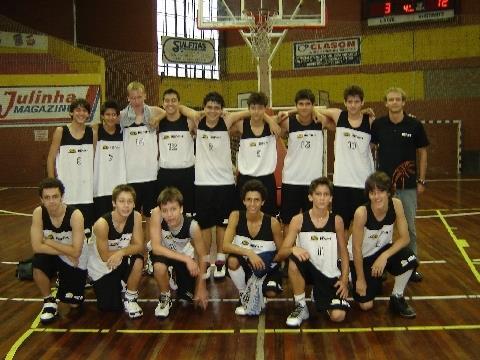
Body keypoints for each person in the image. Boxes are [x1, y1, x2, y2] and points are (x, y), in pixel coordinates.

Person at [177, 92, 239, 279]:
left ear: (221, 110)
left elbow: (243, 114)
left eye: (217, 108)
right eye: (209, 107)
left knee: (222, 224)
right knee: (203, 225)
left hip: (225, 182)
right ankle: (204, 261)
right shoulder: (197, 122)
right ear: (204, 108)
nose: (213, 111)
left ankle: (220, 260)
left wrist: (228, 113)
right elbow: (179, 107)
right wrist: (196, 113)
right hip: (203, 183)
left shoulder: (226, 123)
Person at [371, 87, 429, 282]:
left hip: (408, 187)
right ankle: (382, 265)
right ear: (386, 103)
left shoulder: (415, 125)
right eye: (391, 99)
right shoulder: (378, 125)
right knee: (381, 228)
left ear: (404, 102)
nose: (394, 102)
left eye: (398, 99)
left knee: (409, 228)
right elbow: (370, 149)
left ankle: (411, 266)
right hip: (383, 189)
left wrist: (421, 179)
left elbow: (423, 153)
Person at [277, 177, 350, 327]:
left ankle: (317, 294)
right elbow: (281, 254)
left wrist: (344, 279)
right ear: (310, 196)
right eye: (318, 194)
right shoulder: (298, 220)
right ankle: (301, 306)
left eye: (326, 194)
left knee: (338, 316)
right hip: (308, 269)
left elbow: (344, 252)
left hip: (328, 274)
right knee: (293, 262)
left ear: (331, 198)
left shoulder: (337, 221)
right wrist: (292, 248)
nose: (322, 198)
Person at [350, 171, 418, 318]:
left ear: (388, 192)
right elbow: (356, 249)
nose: (377, 196)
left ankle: (397, 297)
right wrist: (360, 279)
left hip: (381, 252)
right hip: (361, 257)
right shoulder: (362, 213)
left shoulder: (396, 205)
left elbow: (405, 238)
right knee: (366, 305)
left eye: (381, 191)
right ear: (368, 195)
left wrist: (384, 256)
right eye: (372, 192)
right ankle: (351, 276)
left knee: (410, 258)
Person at [119, 81, 165, 273]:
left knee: (151, 218)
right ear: (128, 98)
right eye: (133, 97)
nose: (136, 101)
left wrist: (159, 117)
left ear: (145, 96)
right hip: (131, 177)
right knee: (133, 219)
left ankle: (150, 256)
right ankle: (135, 255)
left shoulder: (153, 112)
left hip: (151, 175)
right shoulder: (122, 116)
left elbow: (167, 111)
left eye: (139, 97)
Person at [316, 85, 375, 232]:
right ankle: (341, 255)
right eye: (350, 101)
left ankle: (357, 254)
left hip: (363, 182)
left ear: (362, 102)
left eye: (356, 101)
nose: (353, 105)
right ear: (345, 102)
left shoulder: (370, 121)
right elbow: (315, 110)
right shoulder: (339, 116)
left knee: (361, 226)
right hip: (342, 182)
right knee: (340, 225)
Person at [30, 178, 88, 324]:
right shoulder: (39, 213)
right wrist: (65, 252)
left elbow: (76, 252)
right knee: (38, 264)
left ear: (62, 196)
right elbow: (37, 247)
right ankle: (49, 301)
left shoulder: (75, 215)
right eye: (47, 197)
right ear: (41, 199)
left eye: (55, 196)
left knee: (74, 304)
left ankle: (69, 277)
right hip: (61, 253)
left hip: (74, 256)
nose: (51, 201)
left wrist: (48, 241)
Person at [276, 89, 333, 236]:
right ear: (296, 105)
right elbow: (271, 122)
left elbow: (339, 119)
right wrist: (288, 112)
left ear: (313, 105)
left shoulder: (320, 122)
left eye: (308, 104)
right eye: (300, 104)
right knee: (288, 221)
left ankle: (311, 251)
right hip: (291, 180)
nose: (304, 107)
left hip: (312, 182)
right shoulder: (289, 123)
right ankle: (288, 253)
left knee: (312, 219)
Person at [223, 179, 283, 316]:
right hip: (246, 265)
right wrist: (249, 253)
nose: (252, 204)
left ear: (263, 202)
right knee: (232, 261)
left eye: (256, 200)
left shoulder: (273, 223)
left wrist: (269, 264)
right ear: (243, 201)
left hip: (264, 267)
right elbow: (225, 246)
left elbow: (282, 251)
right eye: (248, 199)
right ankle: (245, 293)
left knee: (271, 292)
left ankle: (260, 289)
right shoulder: (236, 216)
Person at [149, 187, 209, 318]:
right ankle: (165, 296)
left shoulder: (193, 226)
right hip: (163, 252)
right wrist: (186, 259)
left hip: (182, 254)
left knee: (189, 297)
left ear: (181, 209)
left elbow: (203, 256)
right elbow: (156, 247)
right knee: (159, 267)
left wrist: (202, 285)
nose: (169, 214)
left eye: (173, 209)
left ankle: (174, 273)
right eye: (165, 210)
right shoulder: (156, 215)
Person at [87, 185, 144, 318]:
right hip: (101, 265)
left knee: (138, 260)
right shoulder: (102, 224)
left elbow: (139, 245)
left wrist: (120, 252)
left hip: (119, 258)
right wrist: (121, 252)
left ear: (134, 203)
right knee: (109, 307)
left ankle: (130, 298)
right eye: (121, 201)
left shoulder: (135, 216)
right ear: (114, 203)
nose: (126, 205)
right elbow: (104, 256)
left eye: (129, 201)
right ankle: (117, 282)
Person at [47, 98, 95, 234]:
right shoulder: (61, 131)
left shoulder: (92, 133)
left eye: (84, 110)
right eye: (78, 110)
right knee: (67, 230)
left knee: (86, 231)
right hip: (67, 191)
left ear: (88, 114)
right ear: (71, 113)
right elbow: (50, 158)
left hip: (86, 191)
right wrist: (52, 184)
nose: (81, 113)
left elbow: (95, 160)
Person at [229, 92, 281, 216]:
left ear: (265, 108)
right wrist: (266, 117)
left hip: (266, 179)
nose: (256, 112)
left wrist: (269, 119)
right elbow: (229, 118)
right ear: (248, 109)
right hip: (246, 179)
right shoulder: (242, 125)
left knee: (269, 218)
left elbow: (285, 115)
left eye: (260, 108)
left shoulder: (273, 125)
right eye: (253, 108)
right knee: (243, 217)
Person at [156, 88, 197, 217]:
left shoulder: (189, 121)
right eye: (167, 101)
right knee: (167, 211)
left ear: (179, 103)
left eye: (174, 100)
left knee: (188, 212)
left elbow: (200, 115)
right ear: (162, 104)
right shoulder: (159, 123)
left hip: (187, 173)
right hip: (166, 173)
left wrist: (185, 109)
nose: (170, 104)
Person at [92, 100, 126, 220]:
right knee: (100, 221)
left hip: (118, 185)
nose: (111, 117)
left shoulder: (122, 131)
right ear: (102, 116)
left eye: (113, 115)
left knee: (118, 220)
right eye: (107, 114)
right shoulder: (96, 131)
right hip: (100, 186)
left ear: (117, 116)